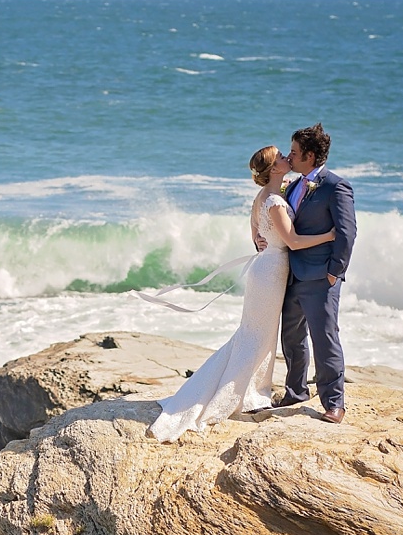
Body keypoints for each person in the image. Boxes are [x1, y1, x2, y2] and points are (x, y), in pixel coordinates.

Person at [147, 147, 334, 442]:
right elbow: (294, 242)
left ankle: (251, 391)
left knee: (254, 334)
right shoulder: (273, 201)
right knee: (257, 335)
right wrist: (329, 235)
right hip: (272, 272)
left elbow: (255, 235)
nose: (288, 157)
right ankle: (244, 395)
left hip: (266, 268)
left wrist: (263, 241)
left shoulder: (265, 196)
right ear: (274, 169)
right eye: (282, 157)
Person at [271, 124, 357, 422]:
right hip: (292, 276)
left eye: (294, 152)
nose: (289, 156)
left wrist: (334, 272)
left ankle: (334, 402)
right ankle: (295, 392)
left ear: (309, 155)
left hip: (321, 277)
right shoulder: (294, 186)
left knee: (325, 338)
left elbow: (347, 233)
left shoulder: (336, 186)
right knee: (292, 338)